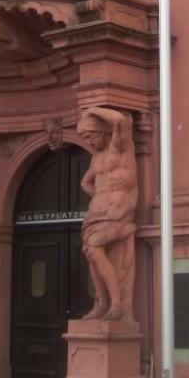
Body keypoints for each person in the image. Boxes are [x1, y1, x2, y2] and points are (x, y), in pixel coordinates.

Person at [78, 106, 138, 320]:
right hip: (98, 212)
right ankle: (103, 303)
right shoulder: (96, 159)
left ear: (102, 132)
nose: (90, 143)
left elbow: (120, 120)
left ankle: (115, 303)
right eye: (86, 138)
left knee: (94, 248)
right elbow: (85, 183)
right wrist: (99, 196)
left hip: (118, 210)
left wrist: (92, 108)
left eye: (91, 136)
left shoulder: (119, 147)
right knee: (90, 252)